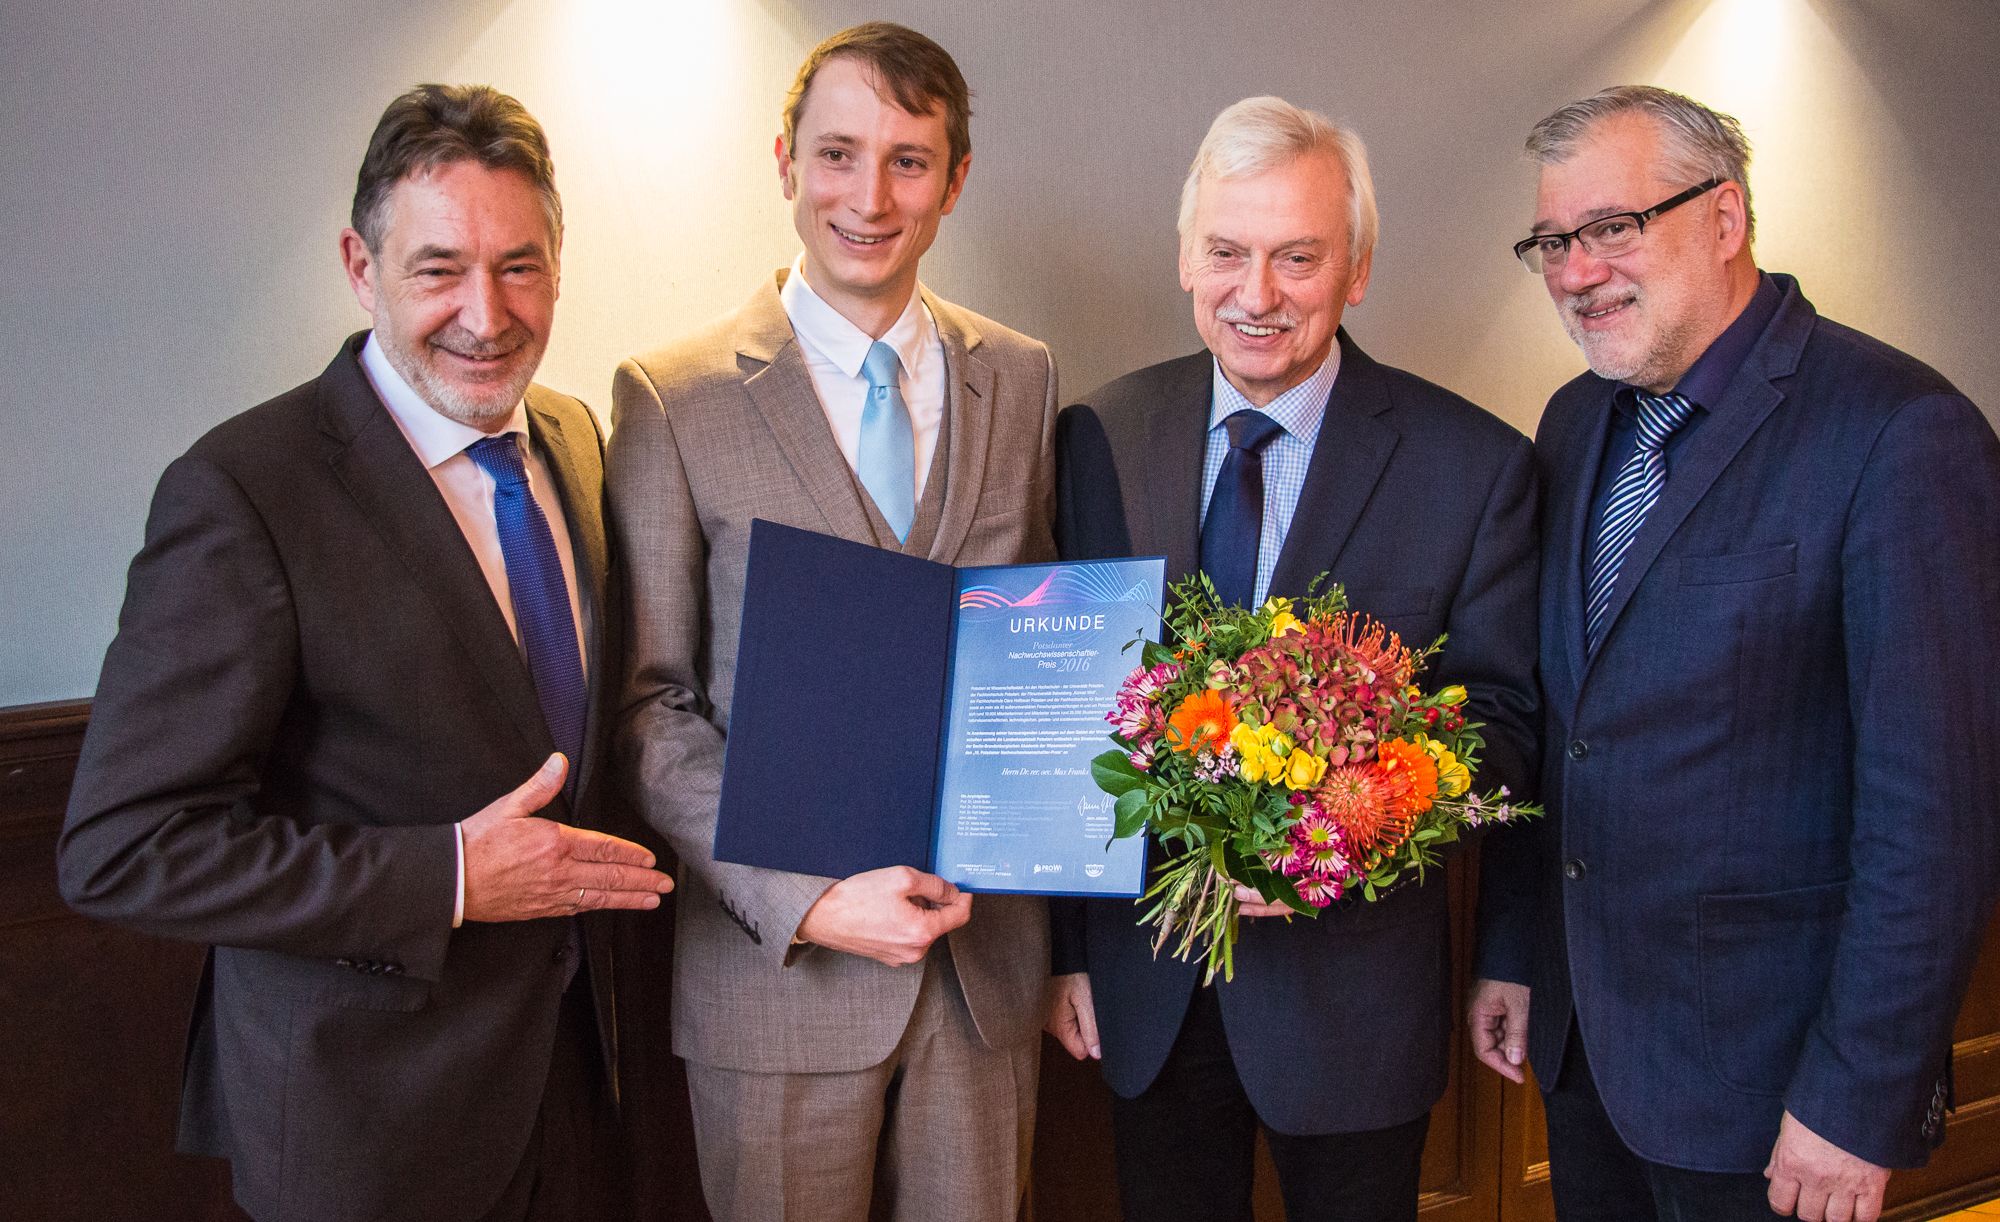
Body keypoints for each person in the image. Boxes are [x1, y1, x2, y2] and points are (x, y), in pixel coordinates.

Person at [56, 84, 673, 1222]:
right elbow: (122, 846)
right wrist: (446, 878)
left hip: (581, 1096)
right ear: (360, 264)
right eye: (438, 268)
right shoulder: (246, 489)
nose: (487, 314)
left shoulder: (577, 440)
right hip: (368, 1128)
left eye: (519, 266)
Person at [1469, 85, 2000, 1222]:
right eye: (1552, 241)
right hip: (1587, 1055)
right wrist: (1515, 951)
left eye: (1615, 228)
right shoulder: (1573, 418)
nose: (1575, 270)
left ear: (1724, 215)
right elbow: (1567, 725)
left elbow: (1936, 815)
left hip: (1775, 1087)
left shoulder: (1899, 433)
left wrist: (1858, 1096)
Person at [1047, 96, 1539, 1222]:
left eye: (1296, 257)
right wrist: (1065, 954)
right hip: (1147, 992)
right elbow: (1063, 707)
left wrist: (1354, 815)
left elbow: (1508, 725)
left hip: (1355, 1007)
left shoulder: (1473, 466)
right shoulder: (1100, 433)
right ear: (1186, 258)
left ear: (1355, 269)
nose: (1255, 293)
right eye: (1226, 251)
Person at [607, 22, 1058, 1222]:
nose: (869, 196)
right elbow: (653, 704)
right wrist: (803, 899)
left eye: (909, 161)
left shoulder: (1019, 378)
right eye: (838, 154)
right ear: (784, 162)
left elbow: (1040, 655)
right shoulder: (673, 397)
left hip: (982, 980)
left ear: (954, 181)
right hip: (775, 985)